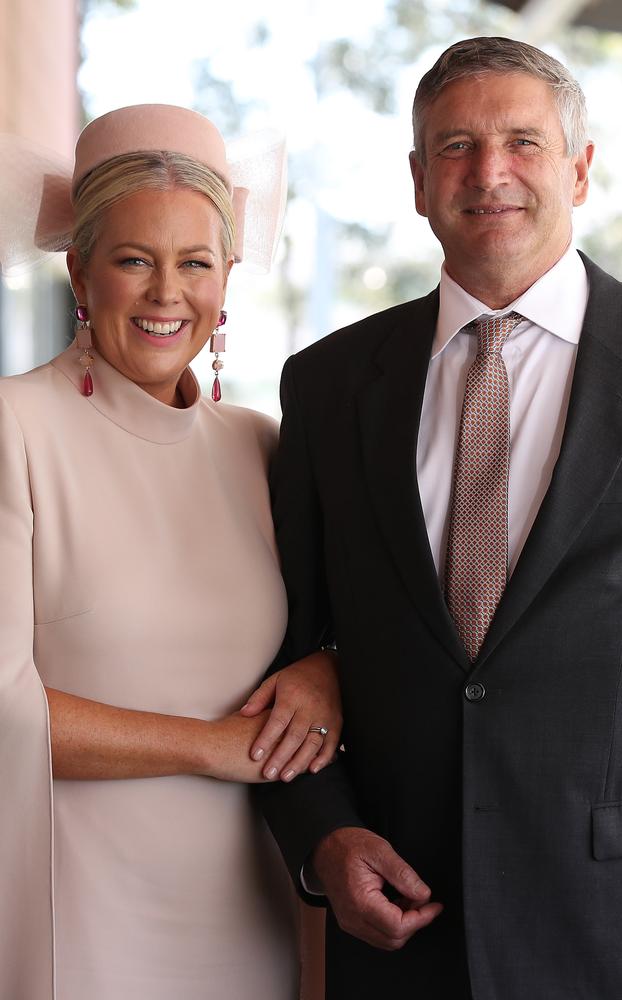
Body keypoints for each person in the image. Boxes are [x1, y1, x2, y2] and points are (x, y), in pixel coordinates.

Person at [260, 35, 622, 999]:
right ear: (418, 181)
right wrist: (324, 836)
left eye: (523, 141)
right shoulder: (328, 385)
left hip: (619, 921)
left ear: (581, 168)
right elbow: (284, 648)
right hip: (400, 917)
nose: (490, 173)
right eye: (456, 147)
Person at [0, 104, 341, 1000]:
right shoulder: (14, 428)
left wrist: (326, 672)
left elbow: (328, 637)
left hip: (248, 909)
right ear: (79, 266)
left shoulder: (261, 446)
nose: (166, 294)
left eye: (194, 263)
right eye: (133, 260)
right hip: (74, 913)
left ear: (228, 276)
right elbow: (3, 709)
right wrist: (215, 748)